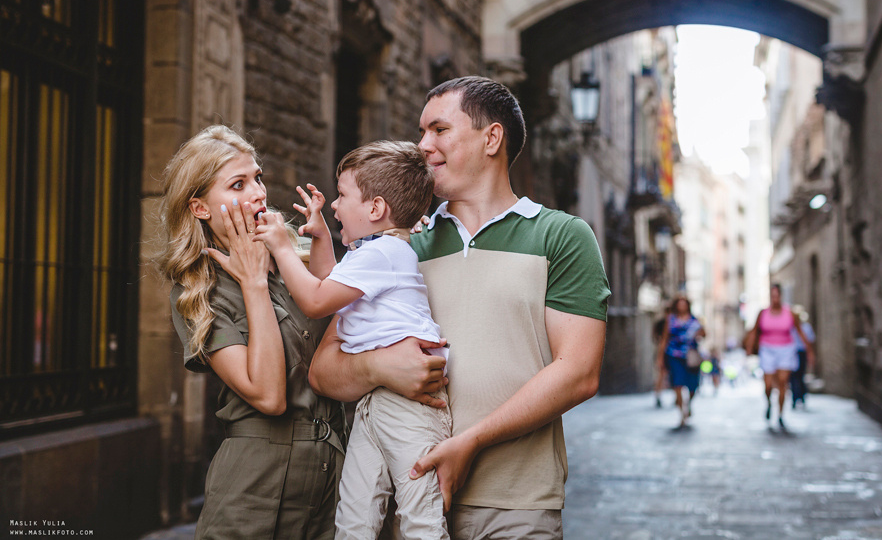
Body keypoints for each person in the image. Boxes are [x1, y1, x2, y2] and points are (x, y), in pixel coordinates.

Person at [309, 75, 610, 539]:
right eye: (422, 131)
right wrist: (381, 367)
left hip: (517, 505)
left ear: (492, 138)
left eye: (439, 129)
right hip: (407, 502)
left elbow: (579, 371)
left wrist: (469, 443)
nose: (423, 144)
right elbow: (324, 370)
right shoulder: (396, 246)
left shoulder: (562, 236)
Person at [253, 140, 451, 540]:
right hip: (376, 401)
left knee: (420, 520)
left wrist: (280, 245)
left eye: (343, 196)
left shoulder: (384, 255)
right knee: (355, 515)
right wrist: (323, 237)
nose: (335, 206)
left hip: (408, 408)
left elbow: (314, 300)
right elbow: (332, 284)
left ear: (376, 209)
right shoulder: (376, 253)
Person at [158, 125, 346, 539]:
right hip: (255, 493)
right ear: (200, 208)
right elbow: (268, 395)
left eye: (257, 177)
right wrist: (253, 283)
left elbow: (344, 322)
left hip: (333, 483)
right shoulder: (197, 291)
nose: (259, 192)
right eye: (238, 184)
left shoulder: (291, 253)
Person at [745, 284, 815, 430]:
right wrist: (749, 347)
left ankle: (781, 414)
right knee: (768, 385)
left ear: (781, 296)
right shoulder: (762, 313)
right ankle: (769, 403)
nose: (775, 299)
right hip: (767, 349)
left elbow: (800, 332)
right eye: (773, 296)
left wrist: (809, 350)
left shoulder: (790, 313)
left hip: (786, 349)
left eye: (777, 296)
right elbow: (754, 330)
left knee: (783, 382)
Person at [656, 296, 705, 427]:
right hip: (674, 355)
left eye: (684, 304)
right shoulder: (670, 319)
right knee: (677, 384)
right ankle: (682, 412)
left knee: (693, 386)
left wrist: (699, 334)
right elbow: (664, 339)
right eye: (679, 304)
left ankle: (688, 404)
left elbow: (704, 334)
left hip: (690, 356)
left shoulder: (695, 320)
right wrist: (660, 357)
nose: (681, 306)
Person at [789, 306, 816, 410]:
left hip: (801, 353)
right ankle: (795, 397)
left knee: (800, 376)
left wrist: (810, 354)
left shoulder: (806, 327)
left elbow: (810, 341)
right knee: (793, 377)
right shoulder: (791, 327)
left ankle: (801, 396)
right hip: (792, 353)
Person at [652, 316, 668, 408]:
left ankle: (658, 395)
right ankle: (658, 395)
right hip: (664, 352)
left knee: (661, 376)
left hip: (663, 352)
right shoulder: (663, 323)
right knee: (661, 375)